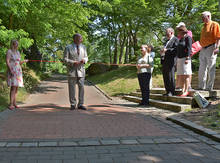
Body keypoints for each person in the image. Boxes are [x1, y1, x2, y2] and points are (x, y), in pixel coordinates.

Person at [63, 33, 88, 110]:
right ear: (74, 39)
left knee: (82, 87)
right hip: (72, 70)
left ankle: (81, 104)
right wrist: (73, 62)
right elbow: (65, 59)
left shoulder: (83, 47)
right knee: (72, 88)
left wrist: (84, 60)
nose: (80, 39)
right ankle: (73, 104)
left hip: (81, 70)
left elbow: (86, 57)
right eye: (79, 38)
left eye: (81, 38)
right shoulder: (68, 47)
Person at [198, 11, 220, 91]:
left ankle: (209, 87)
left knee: (211, 68)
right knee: (202, 68)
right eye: (202, 17)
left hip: (211, 47)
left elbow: (218, 37)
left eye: (203, 17)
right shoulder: (203, 27)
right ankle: (201, 86)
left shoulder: (215, 24)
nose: (202, 19)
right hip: (203, 48)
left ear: (208, 16)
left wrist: (217, 47)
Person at [6, 40, 28, 110]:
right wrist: (11, 70)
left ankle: (14, 103)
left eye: (18, 44)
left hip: (18, 70)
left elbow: (18, 63)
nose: (17, 46)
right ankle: (11, 104)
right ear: (13, 44)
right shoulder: (9, 51)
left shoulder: (18, 52)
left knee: (16, 87)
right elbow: (7, 61)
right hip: (12, 70)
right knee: (13, 88)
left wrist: (23, 61)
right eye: (16, 44)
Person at [160, 28, 179, 96]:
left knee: (170, 76)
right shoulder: (166, 41)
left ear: (171, 32)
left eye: (167, 33)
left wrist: (166, 50)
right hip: (165, 60)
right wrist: (162, 52)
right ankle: (167, 91)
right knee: (165, 76)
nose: (166, 34)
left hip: (171, 61)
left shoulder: (175, 39)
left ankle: (172, 91)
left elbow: (176, 50)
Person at [176, 22, 193, 91]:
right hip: (180, 58)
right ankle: (182, 89)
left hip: (185, 58)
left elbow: (189, 48)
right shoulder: (181, 39)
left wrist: (187, 58)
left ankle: (186, 89)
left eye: (179, 31)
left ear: (182, 32)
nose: (178, 33)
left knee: (186, 73)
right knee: (181, 74)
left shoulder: (188, 38)